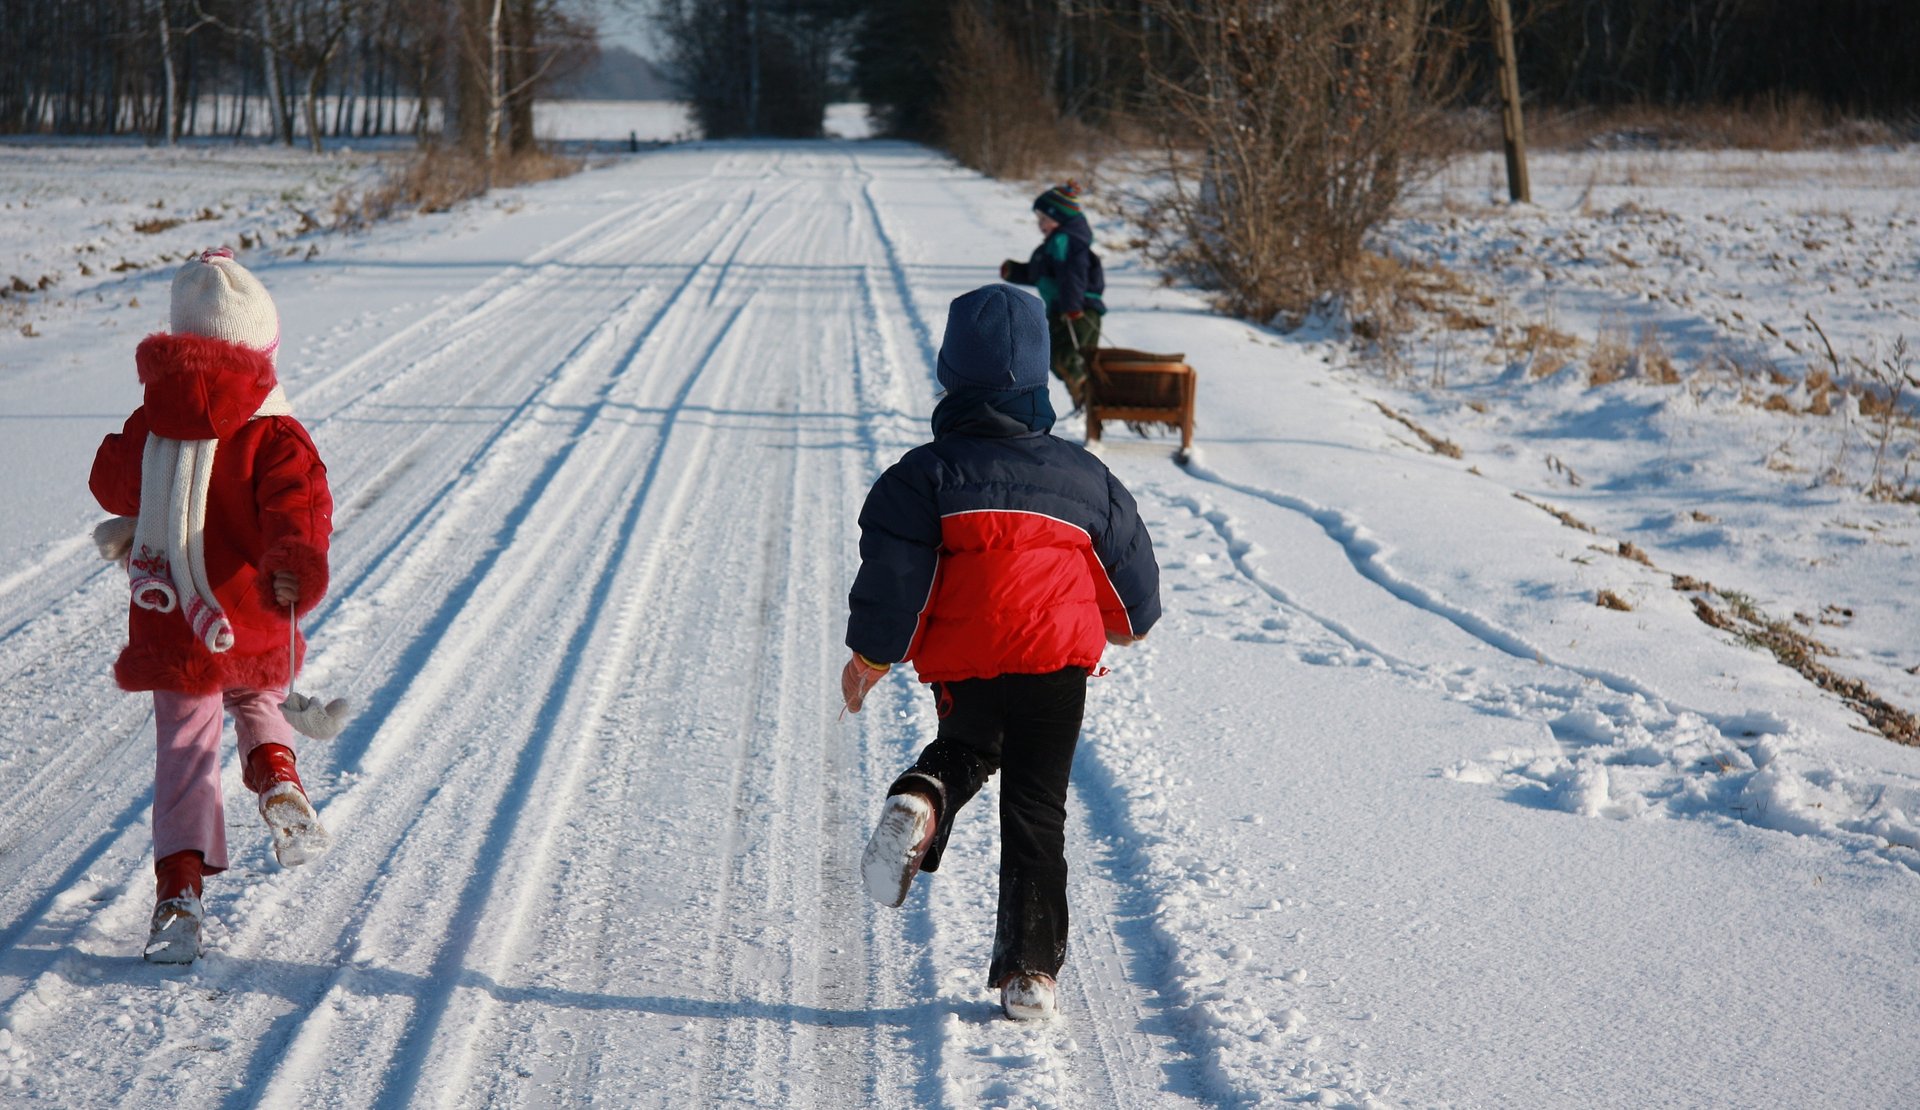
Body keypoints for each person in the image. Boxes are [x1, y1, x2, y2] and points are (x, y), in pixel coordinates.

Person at [841, 283, 1160, 1021]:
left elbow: (895, 584)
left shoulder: (921, 477)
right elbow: (1133, 595)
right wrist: (1128, 622)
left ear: (952, 374)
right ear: (1041, 375)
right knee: (1036, 811)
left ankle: (921, 796)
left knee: (967, 746)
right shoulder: (1087, 478)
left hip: (966, 660)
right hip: (1054, 666)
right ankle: (1029, 976)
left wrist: (870, 660)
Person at [89, 247, 334, 964]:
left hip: (176, 621)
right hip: (252, 611)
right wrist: (291, 566)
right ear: (261, 348)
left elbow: (112, 487)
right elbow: (299, 507)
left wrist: (138, 434)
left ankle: (179, 898)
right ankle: (280, 781)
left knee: (186, 751)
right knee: (259, 696)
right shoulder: (275, 431)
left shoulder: (155, 423)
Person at [999, 181, 1106, 408]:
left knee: (1068, 358)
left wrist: (1072, 306)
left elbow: (1073, 274)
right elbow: (1041, 273)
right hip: (1062, 310)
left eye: (1044, 219)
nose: (1040, 225)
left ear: (1060, 218)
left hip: (1079, 311)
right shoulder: (1053, 245)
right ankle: (1085, 398)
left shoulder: (1065, 242)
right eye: (1039, 220)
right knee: (1056, 359)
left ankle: (1090, 396)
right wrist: (1015, 271)